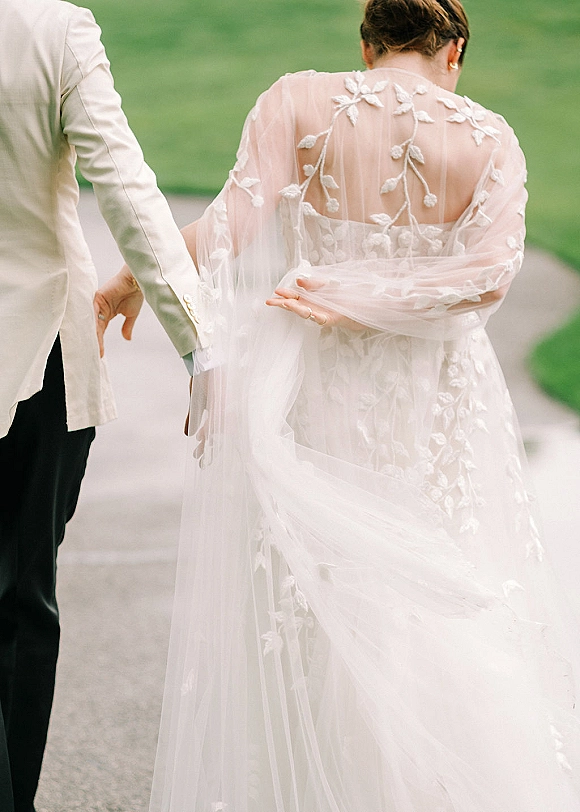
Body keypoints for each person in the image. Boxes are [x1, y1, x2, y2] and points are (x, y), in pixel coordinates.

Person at [145, 0, 580, 809]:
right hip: (432, 397)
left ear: (367, 42)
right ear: (453, 52)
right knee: (421, 589)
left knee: (316, 592)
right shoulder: (489, 137)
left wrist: (131, 275)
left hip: (308, 383)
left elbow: (227, 229)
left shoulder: (296, 99)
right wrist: (373, 298)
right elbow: (487, 276)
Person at [0, 1, 211, 809]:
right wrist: (198, 344)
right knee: (21, 601)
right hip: (37, 355)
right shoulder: (57, 31)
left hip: (41, 357)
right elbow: (126, 189)